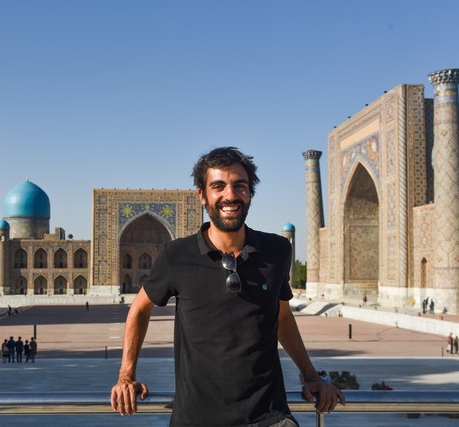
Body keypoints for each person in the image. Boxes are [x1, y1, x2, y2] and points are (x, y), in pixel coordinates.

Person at [110, 147, 345, 426]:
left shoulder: (277, 250)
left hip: (268, 418)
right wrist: (126, 376)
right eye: (218, 186)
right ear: (202, 195)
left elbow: (281, 317)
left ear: (250, 193)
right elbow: (139, 309)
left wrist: (310, 376)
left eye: (239, 186)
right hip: (197, 419)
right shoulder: (177, 255)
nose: (230, 195)